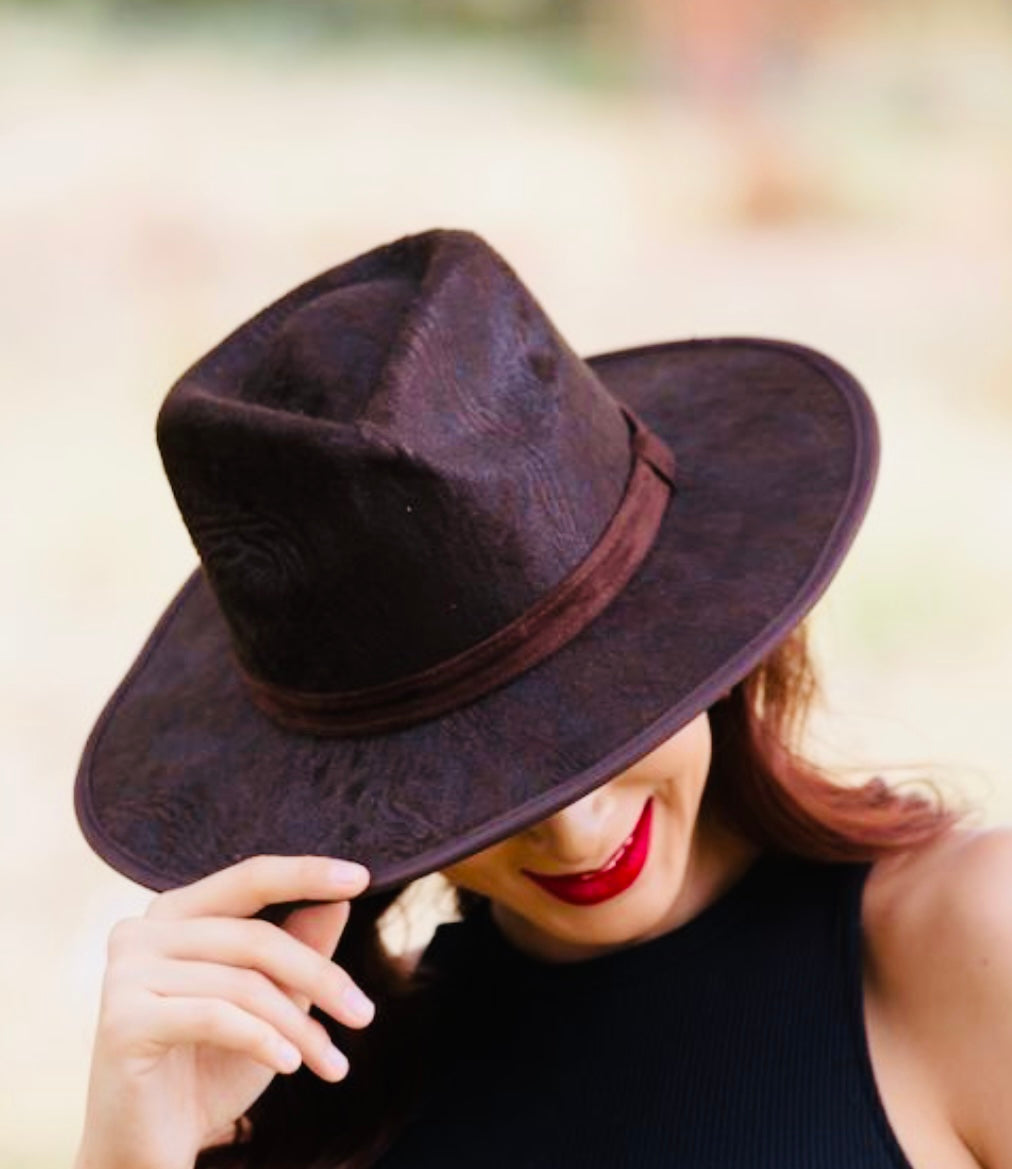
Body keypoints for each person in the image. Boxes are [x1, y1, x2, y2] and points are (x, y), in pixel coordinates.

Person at [72, 229, 1011, 1169]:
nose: (574, 832)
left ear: (699, 639)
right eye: (480, 779)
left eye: (604, 721)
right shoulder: (303, 1092)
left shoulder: (968, 936)